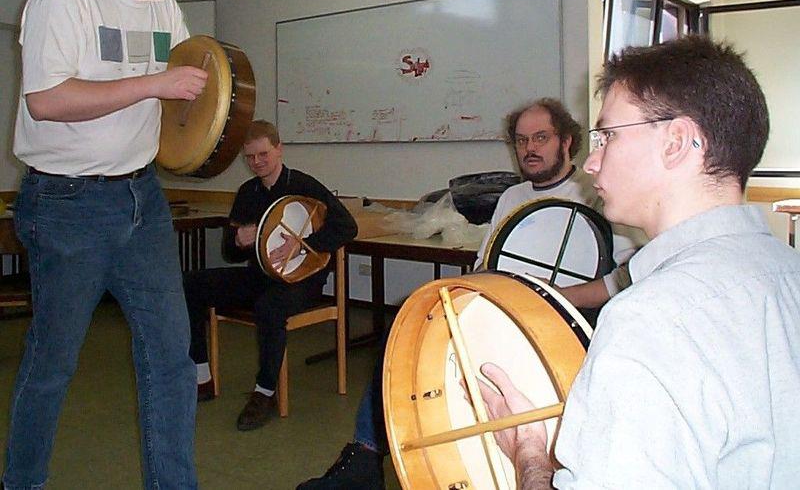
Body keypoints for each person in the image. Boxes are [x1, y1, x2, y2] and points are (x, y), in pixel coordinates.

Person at [478, 35, 800, 489]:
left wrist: (530, 453)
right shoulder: (789, 272)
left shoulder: (649, 323)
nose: (592, 162)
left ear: (676, 142)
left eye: (607, 136)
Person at [298, 98, 638, 489]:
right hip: (502, 310)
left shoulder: (595, 194)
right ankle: (365, 458)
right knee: (405, 339)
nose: (530, 148)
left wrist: (559, 296)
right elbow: (486, 263)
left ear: (566, 142)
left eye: (541, 138)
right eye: (522, 140)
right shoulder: (512, 197)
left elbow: (625, 280)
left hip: (560, 324)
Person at [3, 0, 207, 490]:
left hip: (143, 201)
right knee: (52, 364)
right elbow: (47, 101)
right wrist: (156, 82)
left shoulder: (168, 12)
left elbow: (176, 112)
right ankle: (24, 481)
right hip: (66, 206)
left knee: (172, 360)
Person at [184, 119, 357, 431]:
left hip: (303, 281)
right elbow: (231, 252)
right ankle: (201, 377)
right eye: (249, 157)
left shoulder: (304, 185)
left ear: (279, 150)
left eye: (263, 154)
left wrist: (303, 244)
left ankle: (264, 392)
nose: (256, 162)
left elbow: (347, 227)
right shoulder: (247, 192)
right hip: (260, 275)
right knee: (191, 284)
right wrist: (238, 240)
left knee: (269, 307)